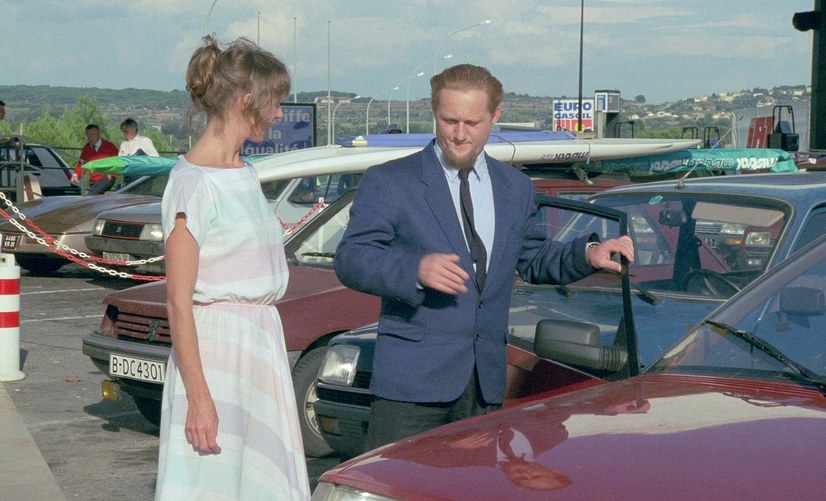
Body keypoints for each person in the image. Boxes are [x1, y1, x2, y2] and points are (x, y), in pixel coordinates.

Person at [334, 63, 634, 448]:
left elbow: (533, 259)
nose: (459, 134)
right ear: (434, 112)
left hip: (482, 387)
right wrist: (414, 269)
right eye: (449, 121)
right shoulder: (390, 181)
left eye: (472, 123)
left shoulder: (515, 187)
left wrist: (588, 254)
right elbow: (352, 258)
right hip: (410, 390)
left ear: (495, 116)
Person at [154, 35, 309, 500]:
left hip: (259, 347)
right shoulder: (192, 185)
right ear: (246, 101)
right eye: (274, 102)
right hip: (217, 356)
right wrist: (200, 398)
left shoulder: (245, 173)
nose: (278, 114)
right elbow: (178, 303)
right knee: (213, 484)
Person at [71, 124, 119, 194]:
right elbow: (82, 164)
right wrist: (76, 175)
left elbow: (117, 161)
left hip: (106, 177)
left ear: (99, 134)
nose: (90, 137)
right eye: (88, 135)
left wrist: (111, 174)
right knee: (96, 196)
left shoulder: (110, 146)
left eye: (92, 134)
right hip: (93, 180)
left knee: (91, 195)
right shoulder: (87, 148)